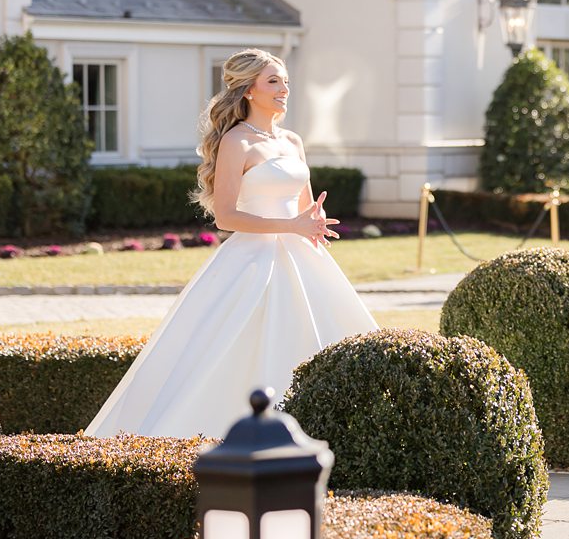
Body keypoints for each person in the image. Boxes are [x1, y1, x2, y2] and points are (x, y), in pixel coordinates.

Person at [86, 48, 379, 440]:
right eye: (273, 81)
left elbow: (307, 209)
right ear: (247, 90)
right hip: (251, 263)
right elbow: (226, 217)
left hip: (303, 259)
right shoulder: (236, 142)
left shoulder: (293, 141)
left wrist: (313, 223)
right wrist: (289, 225)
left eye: (286, 81)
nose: (284, 89)